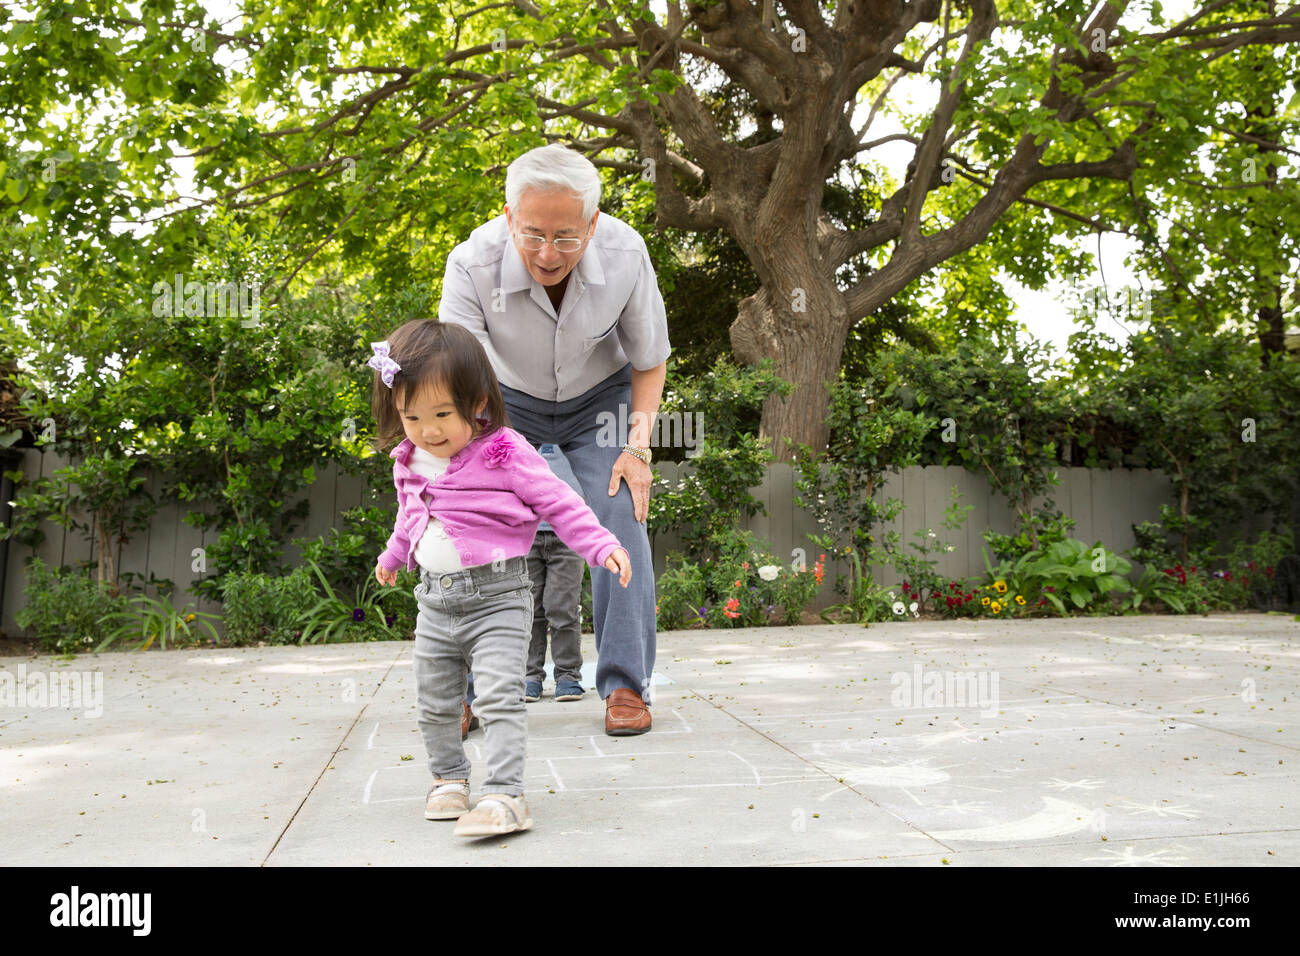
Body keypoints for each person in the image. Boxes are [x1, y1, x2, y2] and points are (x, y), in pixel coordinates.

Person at [439, 143, 670, 735]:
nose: (548, 253)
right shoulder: (471, 263)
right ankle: (471, 691)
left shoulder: (626, 253)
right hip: (502, 398)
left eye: (567, 236)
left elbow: (648, 361)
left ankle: (625, 686)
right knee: (480, 520)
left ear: (592, 223)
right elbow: (460, 377)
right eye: (532, 233)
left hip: (601, 399)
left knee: (621, 515)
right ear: (509, 215)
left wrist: (638, 447)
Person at [370, 320, 631, 837]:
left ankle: (506, 795)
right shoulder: (409, 459)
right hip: (434, 604)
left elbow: (560, 502)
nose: (428, 430)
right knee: (436, 700)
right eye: (412, 416)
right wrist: (394, 555)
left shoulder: (505, 451)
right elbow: (410, 515)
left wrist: (602, 545)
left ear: (479, 403)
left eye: (443, 414)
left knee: (497, 696)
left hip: (498, 599)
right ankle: (447, 779)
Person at [524, 444, 588, 703]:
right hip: (527, 535)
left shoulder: (578, 437)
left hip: (568, 535)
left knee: (563, 608)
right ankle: (530, 677)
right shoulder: (520, 438)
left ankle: (567, 676)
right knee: (529, 609)